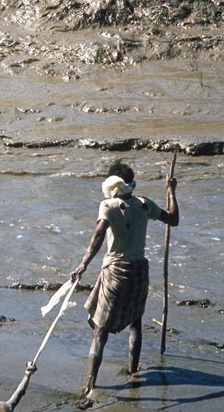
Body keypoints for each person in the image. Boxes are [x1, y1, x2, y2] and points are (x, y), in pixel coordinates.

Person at [71, 160, 179, 396]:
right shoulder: (143, 204)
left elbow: (98, 237)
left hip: (116, 273)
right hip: (139, 270)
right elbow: (173, 219)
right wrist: (171, 191)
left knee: (100, 331)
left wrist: (82, 265)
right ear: (131, 183)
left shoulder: (108, 205)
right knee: (136, 322)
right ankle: (132, 370)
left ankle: (89, 385)